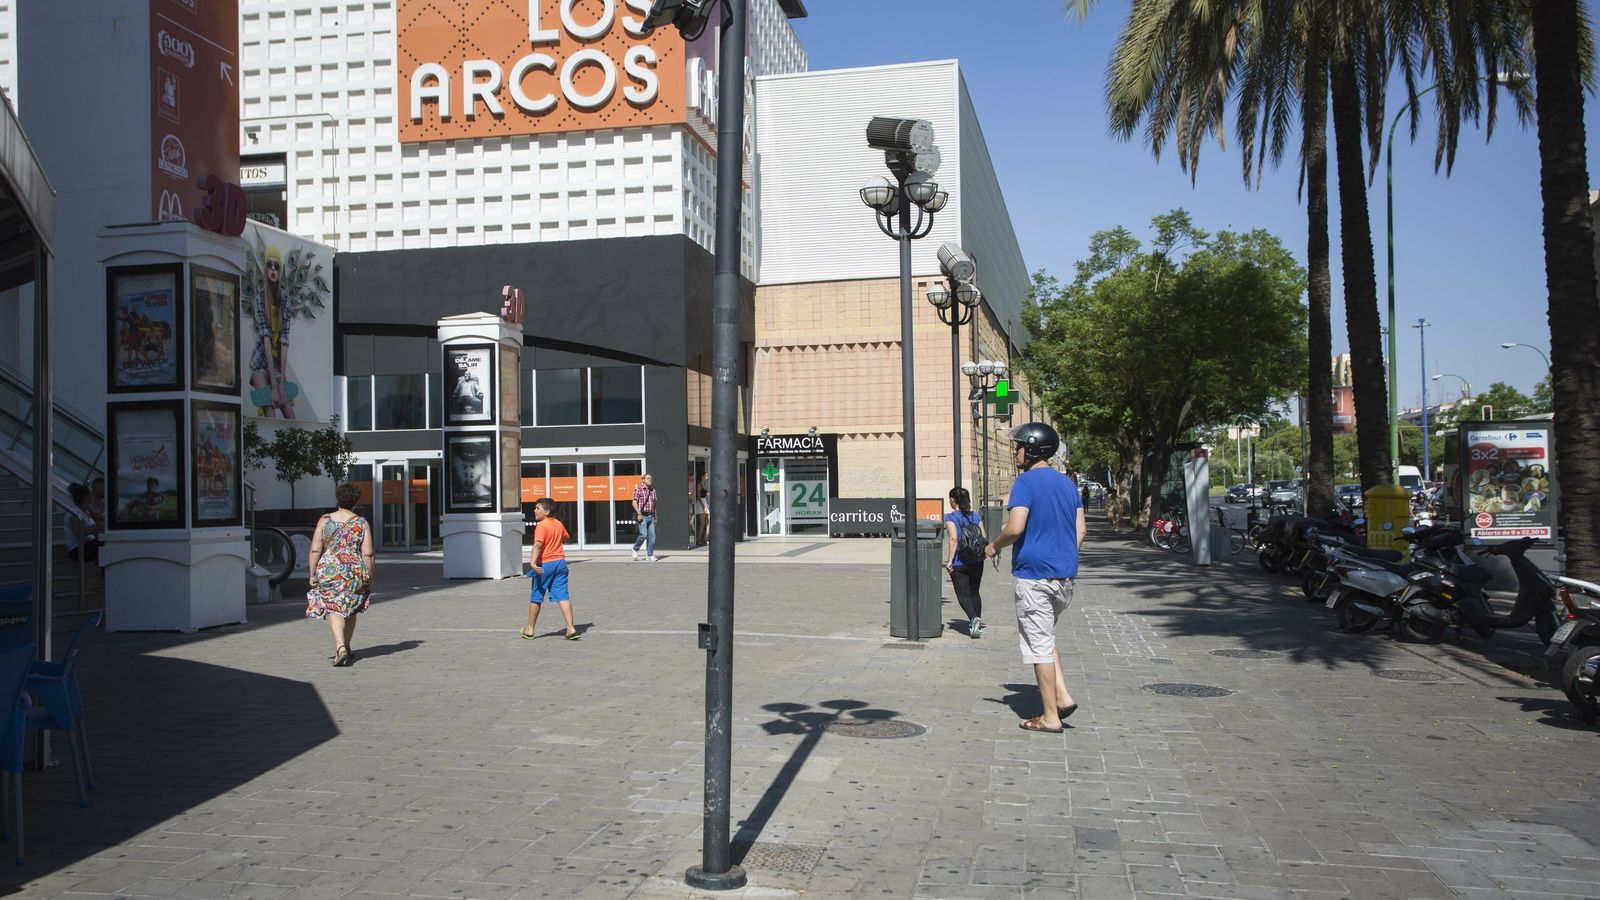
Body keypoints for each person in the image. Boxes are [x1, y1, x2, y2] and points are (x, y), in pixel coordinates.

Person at [985, 422, 1084, 734]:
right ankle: (1063, 696)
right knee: (1044, 635)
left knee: (1038, 644)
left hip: (1034, 576)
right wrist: (1063, 555)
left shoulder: (1026, 482)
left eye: (1019, 446)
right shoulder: (1068, 484)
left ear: (1030, 448)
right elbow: (1080, 531)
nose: (1016, 451)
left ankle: (1050, 717)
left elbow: (1015, 528)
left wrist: (993, 546)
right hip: (1064, 576)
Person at [305, 482, 375, 667]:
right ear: (356, 502)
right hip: (354, 570)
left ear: (338, 499)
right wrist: (368, 577)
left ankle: (340, 648)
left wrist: (312, 573)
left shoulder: (325, 520)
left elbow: (315, 550)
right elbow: (368, 553)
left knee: (334, 609)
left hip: (330, 570)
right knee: (351, 608)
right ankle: (348, 647)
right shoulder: (361, 523)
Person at [523, 497, 579, 641]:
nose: (534, 511)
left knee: (536, 596)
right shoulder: (558, 523)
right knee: (563, 595)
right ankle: (571, 628)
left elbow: (538, 544)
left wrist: (532, 562)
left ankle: (529, 629)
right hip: (560, 563)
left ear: (547, 511)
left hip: (545, 564)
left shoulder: (542, 525)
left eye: (538, 508)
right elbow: (567, 538)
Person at [944, 486, 988, 637]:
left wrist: (949, 561)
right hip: (977, 560)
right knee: (974, 592)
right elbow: (983, 535)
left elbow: (953, 539)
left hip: (960, 562)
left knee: (962, 594)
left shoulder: (951, 518)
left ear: (952, 500)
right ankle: (977, 621)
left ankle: (973, 618)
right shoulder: (975, 516)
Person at [64, 483, 99, 566]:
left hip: (87, 545)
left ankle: (101, 572)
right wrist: (96, 528)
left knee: (104, 543)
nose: (93, 495)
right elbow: (77, 532)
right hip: (77, 549)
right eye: (91, 493)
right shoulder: (74, 514)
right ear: (85, 497)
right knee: (103, 545)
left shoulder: (86, 511)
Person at [631, 473, 658, 562]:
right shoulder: (638, 490)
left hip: (651, 516)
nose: (650, 480)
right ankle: (635, 548)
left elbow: (654, 505)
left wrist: (656, 517)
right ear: (643, 480)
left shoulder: (653, 491)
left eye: (651, 478)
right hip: (642, 515)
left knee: (652, 536)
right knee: (643, 534)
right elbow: (634, 503)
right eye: (648, 478)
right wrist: (639, 513)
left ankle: (649, 555)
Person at [694, 473, 710, 547]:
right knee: (702, 523)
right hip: (701, 504)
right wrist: (703, 506)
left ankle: (705, 538)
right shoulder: (699, 485)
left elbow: (703, 495)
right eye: (706, 475)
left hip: (705, 502)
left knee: (708, 521)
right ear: (702, 476)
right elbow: (699, 497)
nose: (707, 477)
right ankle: (699, 539)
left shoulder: (704, 484)